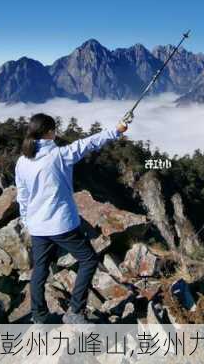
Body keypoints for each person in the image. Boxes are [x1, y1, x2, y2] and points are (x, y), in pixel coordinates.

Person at [14, 113, 128, 324]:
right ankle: (75, 312)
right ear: (49, 132)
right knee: (89, 260)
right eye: (54, 129)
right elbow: (89, 143)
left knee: (39, 270)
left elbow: (22, 195)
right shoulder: (59, 155)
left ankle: (39, 317)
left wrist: (26, 220)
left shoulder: (22, 161)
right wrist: (116, 130)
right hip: (61, 224)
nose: (56, 133)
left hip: (37, 226)